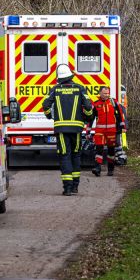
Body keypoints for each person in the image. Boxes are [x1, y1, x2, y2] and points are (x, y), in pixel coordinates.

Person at [42, 64, 93, 196]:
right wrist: (88, 118)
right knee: (76, 155)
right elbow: (88, 107)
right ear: (71, 75)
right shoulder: (80, 88)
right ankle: (75, 186)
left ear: (59, 77)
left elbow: (46, 104)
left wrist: (49, 115)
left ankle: (68, 188)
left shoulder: (56, 89)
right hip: (76, 129)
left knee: (65, 156)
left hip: (61, 130)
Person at [91, 86, 126, 177]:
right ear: (100, 93)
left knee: (111, 151)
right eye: (104, 93)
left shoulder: (113, 102)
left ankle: (110, 169)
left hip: (111, 130)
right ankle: (97, 168)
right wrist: (88, 130)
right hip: (100, 131)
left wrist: (122, 126)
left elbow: (120, 115)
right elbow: (91, 119)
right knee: (99, 149)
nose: (106, 95)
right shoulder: (96, 104)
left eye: (107, 93)